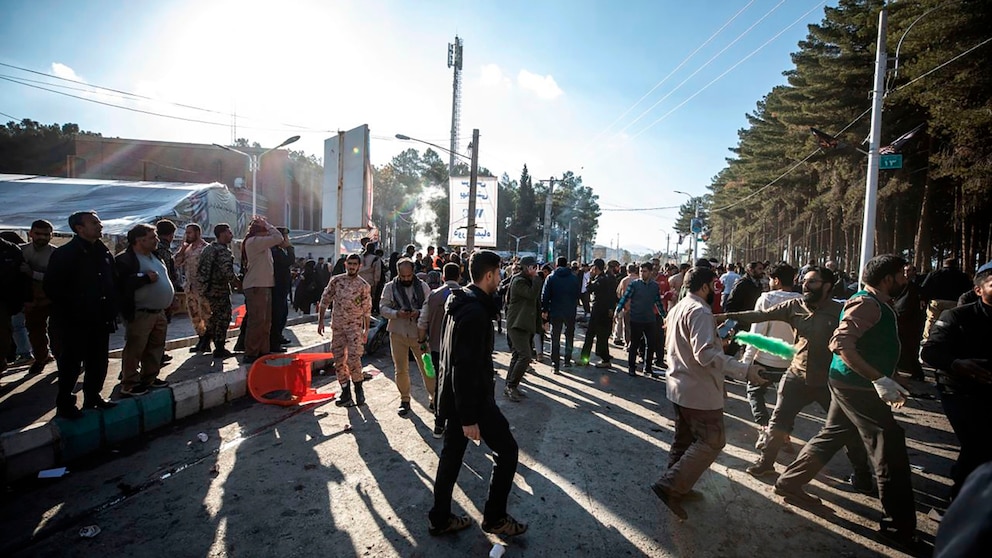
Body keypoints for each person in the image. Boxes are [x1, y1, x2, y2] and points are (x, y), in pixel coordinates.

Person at [775, 254, 918, 548]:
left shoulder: (877, 303)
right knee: (888, 447)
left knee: (834, 434)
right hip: (858, 387)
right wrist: (878, 379)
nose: (906, 280)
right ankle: (897, 528)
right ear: (888, 278)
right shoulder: (866, 302)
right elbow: (841, 344)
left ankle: (789, 482)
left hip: (852, 383)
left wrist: (891, 376)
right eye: (902, 275)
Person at [716, 267, 871, 485]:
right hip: (796, 375)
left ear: (827, 286)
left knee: (846, 427)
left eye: (813, 282)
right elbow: (760, 315)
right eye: (804, 280)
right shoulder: (794, 306)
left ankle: (862, 473)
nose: (806, 285)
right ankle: (766, 463)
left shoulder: (840, 311)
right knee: (778, 421)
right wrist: (724, 316)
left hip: (828, 380)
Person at [651, 267, 767, 519]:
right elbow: (704, 355)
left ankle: (678, 487)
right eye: (713, 286)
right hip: (698, 391)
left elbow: (689, 344)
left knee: (684, 440)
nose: (716, 291)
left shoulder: (679, 308)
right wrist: (744, 370)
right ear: (704, 287)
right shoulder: (701, 312)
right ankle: (671, 484)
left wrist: (717, 340)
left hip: (680, 386)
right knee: (712, 441)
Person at [428, 250, 528, 538]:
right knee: (508, 451)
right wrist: (469, 417)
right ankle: (495, 518)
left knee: (451, 456)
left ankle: (440, 518)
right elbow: (464, 367)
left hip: (457, 397)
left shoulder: (462, 301)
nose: (501, 278)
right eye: (499, 273)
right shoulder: (473, 313)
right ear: (489, 275)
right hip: (471, 399)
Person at [920, 262, 992, 501]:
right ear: (979, 289)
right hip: (959, 390)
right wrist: (956, 364)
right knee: (978, 444)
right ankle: (958, 500)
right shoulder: (957, 316)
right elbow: (930, 352)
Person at [44, 211, 119, 418]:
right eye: (94, 223)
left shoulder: (103, 252)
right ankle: (66, 405)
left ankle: (93, 397)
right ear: (79, 228)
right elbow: (52, 288)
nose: (100, 226)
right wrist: (76, 307)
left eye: (99, 222)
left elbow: (111, 281)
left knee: (98, 361)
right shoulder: (65, 254)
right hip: (74, 321)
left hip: (100, 319)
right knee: (71, 365)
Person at [740, 262, 802, 441]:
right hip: (792, 361)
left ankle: (765, 427)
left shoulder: (766, 299)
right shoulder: (802, 301)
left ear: (776, 280)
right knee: (787, 400)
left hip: (765, 360)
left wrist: (746, 361)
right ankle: (784, 433)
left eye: (770, 279)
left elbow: (757, 332)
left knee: (754, 392)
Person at [115, 224, 175, 397]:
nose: (156, 240)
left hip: (159, 312)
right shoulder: (126, 259)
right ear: (139, 240)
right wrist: (143, 278)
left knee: (155, 347)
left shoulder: (155, 256)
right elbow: (121, 285)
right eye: (152, 237)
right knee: (135, 348)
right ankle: (129, 383)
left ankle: (149, 377)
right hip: (141, 313)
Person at [380, 257, 434, 417]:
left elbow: (429, 307)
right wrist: (396, 313)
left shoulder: (423, 286)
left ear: (413, 273)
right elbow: (383, 308)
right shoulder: (390, 287)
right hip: (398, 332)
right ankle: (405, 400)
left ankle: (434, 398)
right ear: (398, 274)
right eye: (402, 277)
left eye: (408, 276)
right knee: (401, 369)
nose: (406, 279)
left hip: (420, 334)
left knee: (428, 368)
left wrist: (418, 312)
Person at [317, 253, 371, 407]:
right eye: (350, 263)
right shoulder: (336, 281)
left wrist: (366, 330)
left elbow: (366, 310)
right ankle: (345, 390)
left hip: (354, 328)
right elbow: (324, 301)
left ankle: (358, 388)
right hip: (338, 327)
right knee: (339, 360)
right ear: (345, 264)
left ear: (359, 266)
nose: (352, 266)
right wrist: (320, 321)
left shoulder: (363, 285)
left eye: (355, 264)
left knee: (354, 359)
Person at [418, 262, 461, 438]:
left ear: (443, 276)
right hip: (458, 349)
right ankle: (456, 424)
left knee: (440, 385)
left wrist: (422, 341)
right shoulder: (465, 295)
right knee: (457, 385)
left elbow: (422, 322)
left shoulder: (433, 296)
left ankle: (439, 423)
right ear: (459, 276)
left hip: (437, 348)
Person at [240, 217, 287, 364]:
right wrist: (267, 224)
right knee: (257, 321)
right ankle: (251, 352)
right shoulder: (254, 242)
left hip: (264, 285)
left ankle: (262, 351)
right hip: (256, 286)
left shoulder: (261, 245)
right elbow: (278, 237)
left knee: (266, 322)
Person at [20, 219, 58, 374]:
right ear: (30, 233)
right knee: (35, 331)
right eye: (38, 233)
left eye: (46, 234)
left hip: (54, 298)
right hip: (32, 300)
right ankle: (41, 357)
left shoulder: (55, 253)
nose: (42, 237)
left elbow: (56, 278)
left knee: (58, 331)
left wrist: (33, 273)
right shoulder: (21, 251)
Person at [197, 223, 241, 359]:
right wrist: (238, 283)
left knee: (214, 316)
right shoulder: (223, 251)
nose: (231, 235)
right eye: (229, 233)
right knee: (224, 317)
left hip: (207, 289)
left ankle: (204, 341)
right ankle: (220, 347)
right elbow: (227, 272)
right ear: (221, 234)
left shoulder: (208, 248)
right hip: (219, 290)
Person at [616, 262, 664, 376]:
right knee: (634, 344)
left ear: (651, 272)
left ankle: (648, 368)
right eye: (641, 271)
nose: (642, 273)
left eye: (645, 271)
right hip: (636, 318)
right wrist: (618, 310)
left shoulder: (654, 286)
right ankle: (631, 367)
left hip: (650, 319)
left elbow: (658, 302)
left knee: (650, 344)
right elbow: (625, 297)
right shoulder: (634, 284)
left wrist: (664, 316)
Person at [504, 256, 540, 402]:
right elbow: (531, 295)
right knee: (525, 356)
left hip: (523, 323)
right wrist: (537, 278)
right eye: (533, 267)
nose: (535, 270)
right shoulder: (519, 281)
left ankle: (510, 386)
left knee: (517, 355)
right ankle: (511, 385)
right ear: (526, 268)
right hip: (516, 324)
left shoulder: (525, 280)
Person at [174, 223, 212, 353]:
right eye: (187, 233)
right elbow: (177, 263)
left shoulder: (206, 248)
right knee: (194, 315)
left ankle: (207, 341)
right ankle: (201, 339)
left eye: (190, 232)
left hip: (203, 288)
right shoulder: (188, 249)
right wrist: (182, 249)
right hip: (190, 288)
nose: (187, 235)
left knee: (206, 315)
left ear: (197, 233)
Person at [541, 256, 581, 374]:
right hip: (569, 311)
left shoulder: (551, 277)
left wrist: (545, 310)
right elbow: (578, 294)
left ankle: (555, 364)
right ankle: (567, 361)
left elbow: (545, 295)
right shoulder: (574, 278)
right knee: (569, 335)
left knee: (555, 337)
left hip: (556, 311)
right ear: (567, 265)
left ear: (557, 265)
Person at [921, 257, 973, 344]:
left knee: (931, 319)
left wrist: (923, 298)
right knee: (952, 321)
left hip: (936, 301)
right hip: (953, 302)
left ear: (944, 264)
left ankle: (927, 339)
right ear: (956, 265)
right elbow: (967, 289)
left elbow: (924, 287)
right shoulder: (962, 275)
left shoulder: (934, 273)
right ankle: (950, 339)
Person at [0, 235, 30, 378]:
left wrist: (23, 299)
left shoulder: (10, 250)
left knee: (4, 336)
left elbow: (21, 277)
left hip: (4, 302)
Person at [580, 258, 617, 368]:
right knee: (596, 336)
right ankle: (586, 358)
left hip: (599, 311)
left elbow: (589, 289)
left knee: (595, 336)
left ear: (595, 268)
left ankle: (602, 359)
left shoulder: (600, 280)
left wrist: (590, 278)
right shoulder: (605, 279)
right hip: (601, 311)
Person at [893, 263, 926, 380]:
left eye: (909, 271)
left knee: (910, 348)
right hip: (903, 321)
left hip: (910, 323)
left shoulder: (916, 287)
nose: (907, 274)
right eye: (905, 271)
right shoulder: (899, 286)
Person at [269, 227, 295, 352]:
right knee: (277, 315)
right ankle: (274, 341)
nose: (286, 239)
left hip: (282, 287)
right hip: (277, 287)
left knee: (282, 313)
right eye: (284, 236)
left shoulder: (279, 250)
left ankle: (278, 336)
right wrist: (290, 248)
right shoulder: (274, 251)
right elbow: (289, 261)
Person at [724, 261, 765, 329]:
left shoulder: (758, 284)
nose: (762, 271)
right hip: (741, 322)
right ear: (751, 270)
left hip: (752, 321)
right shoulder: (742, 284)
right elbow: (730, 304)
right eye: (759, 269)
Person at [358, 237, 383, 314]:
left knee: (359, 297)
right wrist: (376, 282)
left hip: (359, 279)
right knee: (369, 297)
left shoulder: (360, 256)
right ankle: (368, 313)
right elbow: (377, 271)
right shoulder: (376, 258)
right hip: (370, 281)